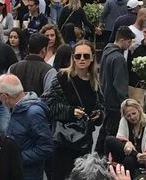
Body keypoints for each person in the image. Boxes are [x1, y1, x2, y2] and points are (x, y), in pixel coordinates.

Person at [41, 40, 104, 180]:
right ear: (73, 57)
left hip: (84, 142)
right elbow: (47, 104)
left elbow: (101, 107)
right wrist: (70, 112)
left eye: (86, 56)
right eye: (78, 56)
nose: (82, 59)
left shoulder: (94, 81)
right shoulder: (62, 77)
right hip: (63, 141)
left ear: (92, 57)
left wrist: (98, 115)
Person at [0, 74, 53, 180]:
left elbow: (46, 148)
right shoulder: (17, 109)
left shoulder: (33, 113)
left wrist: (15, 158)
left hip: (28, 174)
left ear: (4, 96)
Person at [95, 26, 135, 155]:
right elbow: (120, 84)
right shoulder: (119, 58)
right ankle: (105, 159)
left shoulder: (107, 51)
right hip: (114, 103)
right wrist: (126, 104)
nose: (130, 45)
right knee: (112, 134)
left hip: (105, 98)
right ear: (122, 40)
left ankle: (96, 154)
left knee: (105, 130)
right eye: (129, 42)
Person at [105, 99, 146, 177]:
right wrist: (127, 143)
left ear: (139, 111)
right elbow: (119, 139)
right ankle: (135, 154)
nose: (132, 117)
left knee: (129, 160)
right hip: (125, 153)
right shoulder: (124, 121)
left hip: (141, 158)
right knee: (109, 139)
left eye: (134, 113)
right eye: (128, 116)